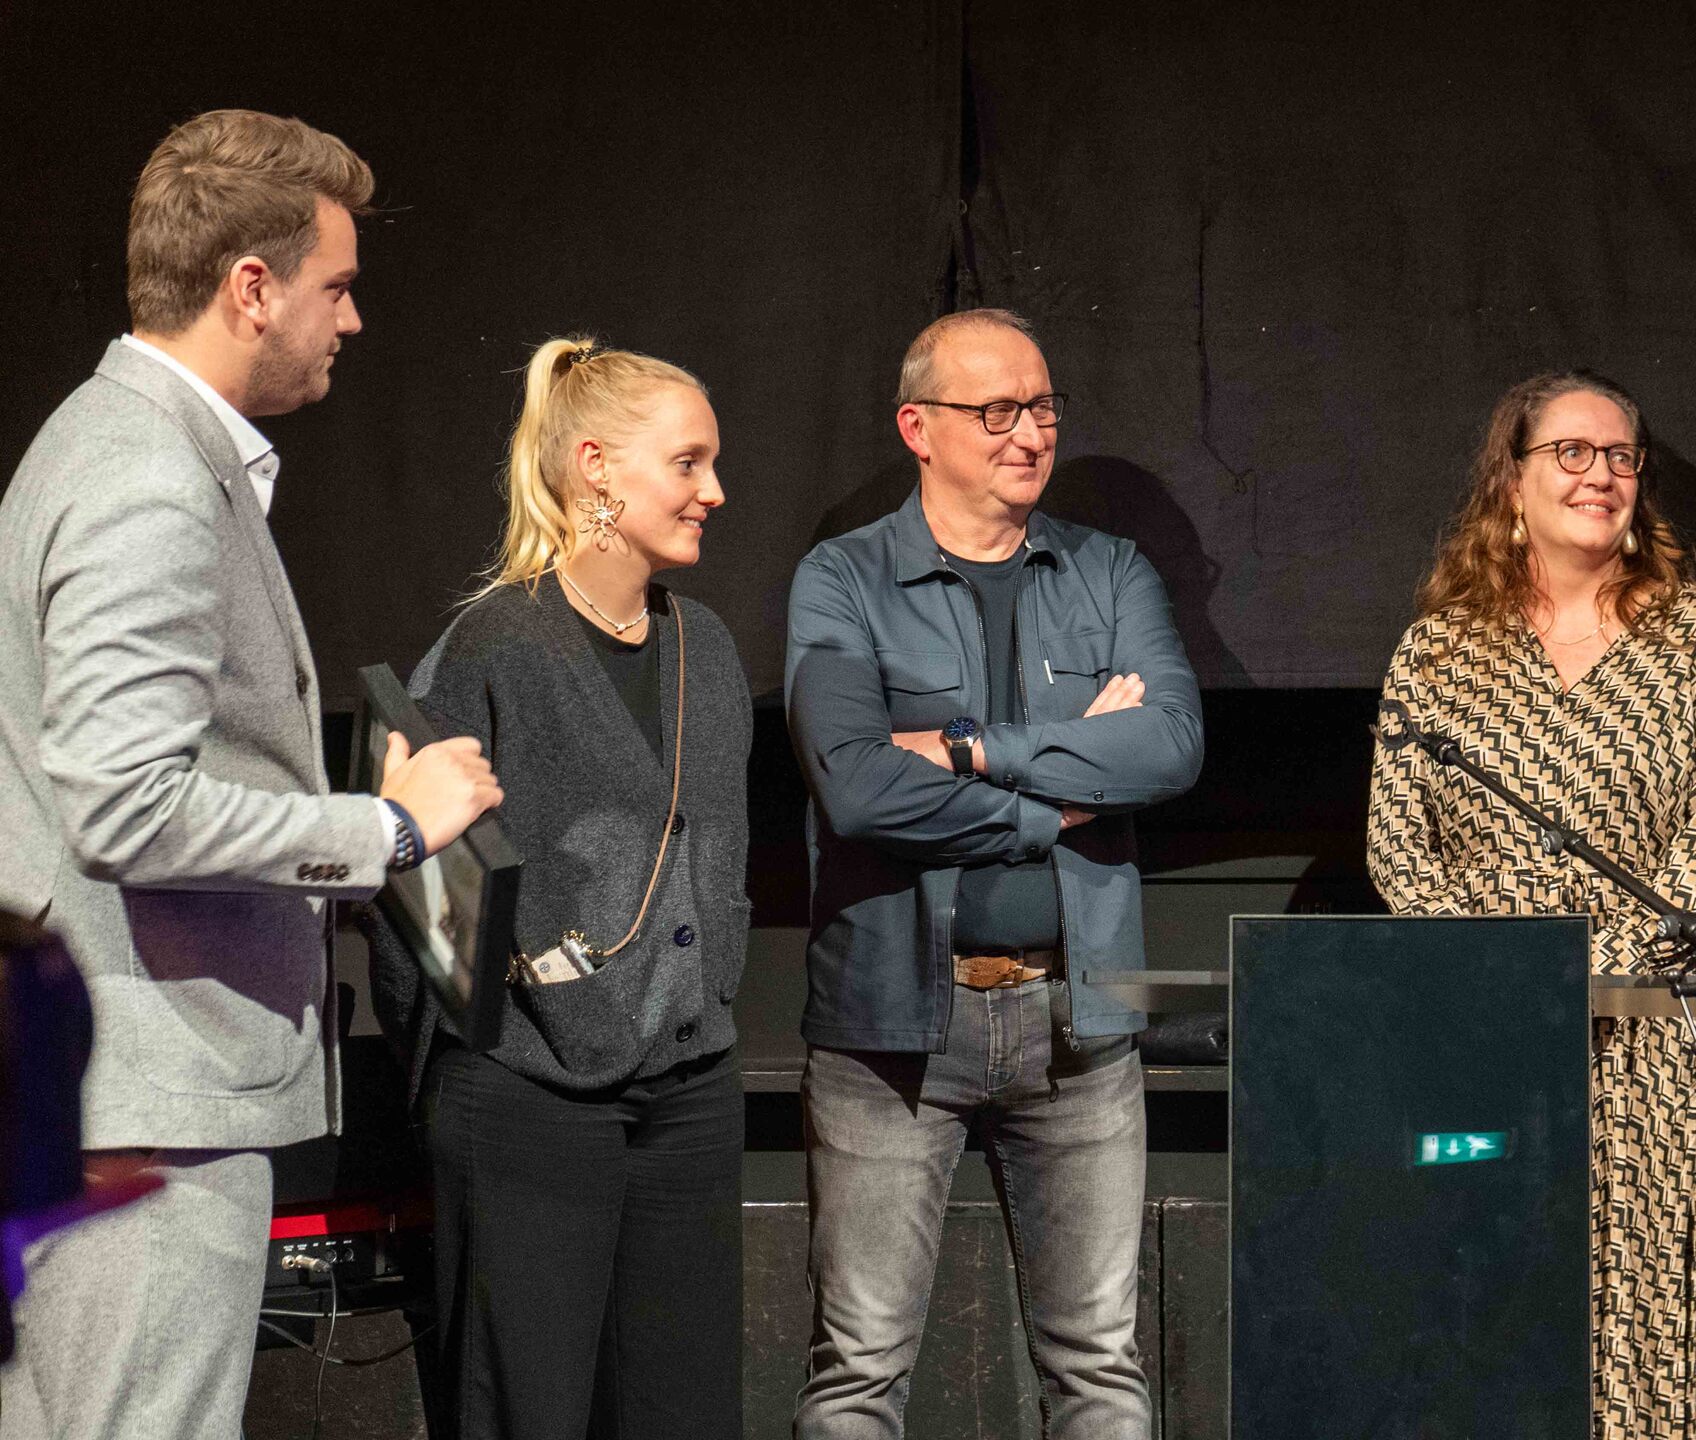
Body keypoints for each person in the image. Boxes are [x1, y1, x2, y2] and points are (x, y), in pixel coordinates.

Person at [0, 110, 501, 1440]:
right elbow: (125, 804)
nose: (352, 321)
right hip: (144, 1097)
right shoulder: (148, 480)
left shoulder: (105, 440)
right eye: (336, 287)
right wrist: (388, 827)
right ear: (251, 287)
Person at [785, 308, 1203, 1439]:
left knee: (1101, 1372)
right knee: (857, 1374)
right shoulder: (844, 578)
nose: (1029, 432)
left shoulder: (1108, 569)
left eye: (1043, 406)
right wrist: (1054, 800)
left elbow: (1168, 748)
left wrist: (972, 748)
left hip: (1079, 1027)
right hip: (889, 1032)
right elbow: (859, 790)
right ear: (918, 426)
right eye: (997, 410)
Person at [1365, 370, 1696, 1439]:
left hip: (1643, 1042)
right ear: (1513, 479)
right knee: (1487, 1320)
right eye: (1572, 453)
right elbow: (1399, 846)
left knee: (1642, 1339)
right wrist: (1511, 983)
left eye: (1621, 456)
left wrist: (1603, 976)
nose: (1602, 475)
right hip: (1484, 1037)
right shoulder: (1438, 653)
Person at [362, 338, 754, 1439]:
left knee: (683, 1407)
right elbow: (409, 903)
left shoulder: (705, 645)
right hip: (528, 1100)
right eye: (687, 464)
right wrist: (480, 1046)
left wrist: (709, 986)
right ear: (595, 468)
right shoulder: (495, 646)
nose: (713, 492)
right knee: (528, 1407)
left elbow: (718, 850)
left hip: (686, 1091)